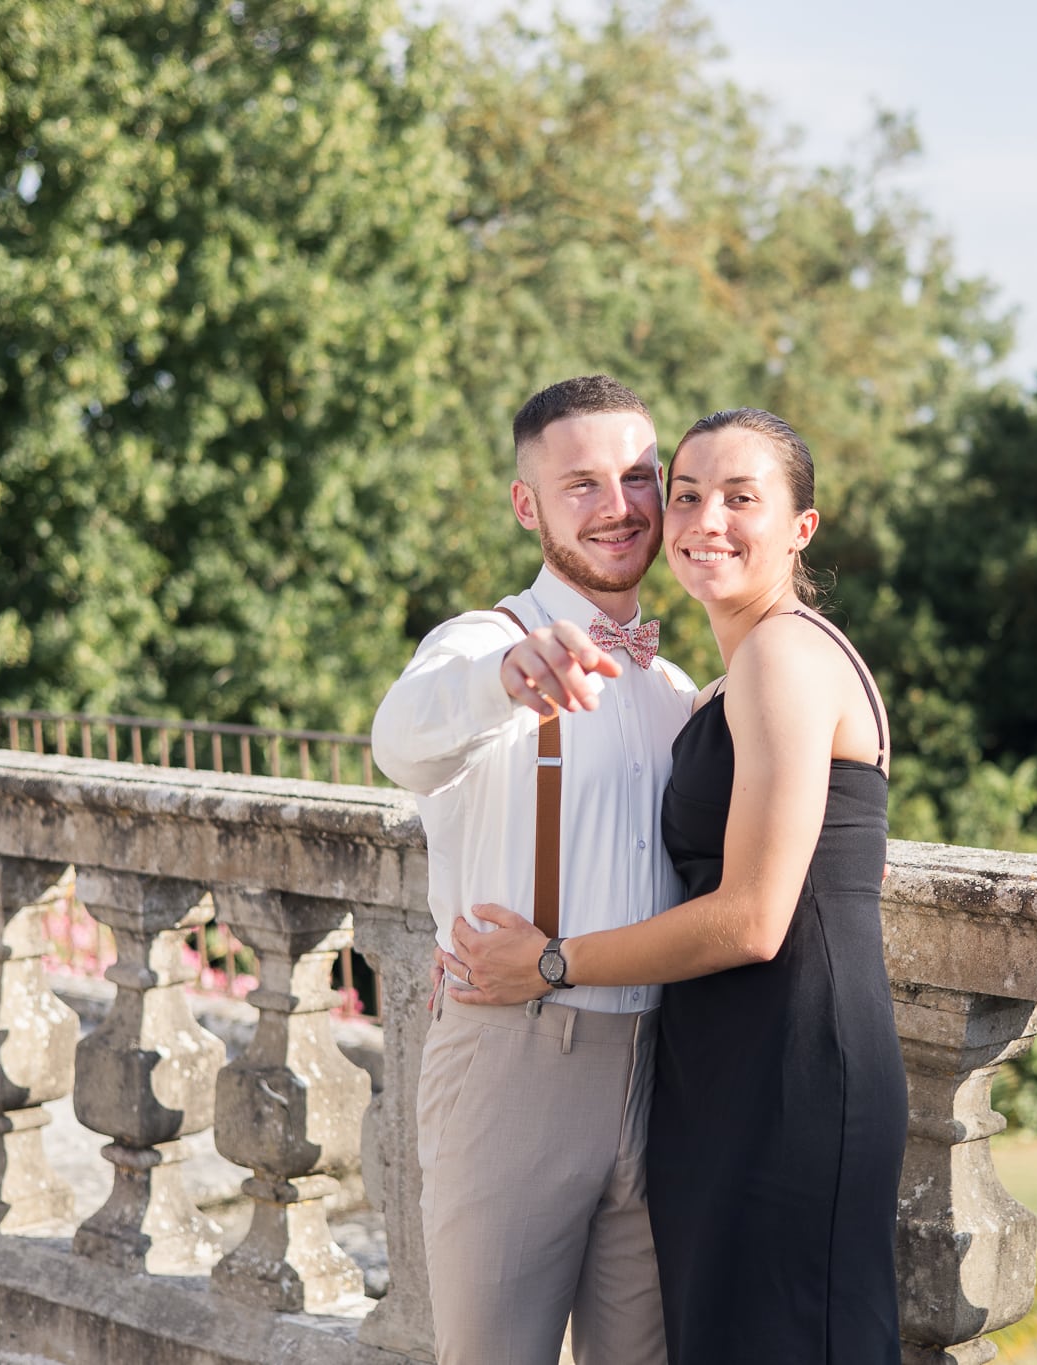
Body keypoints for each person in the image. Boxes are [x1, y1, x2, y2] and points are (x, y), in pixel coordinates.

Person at [451, 407, 908, 1364]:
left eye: (742, 498)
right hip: (726, 1065)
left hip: (789, 1065)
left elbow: (752, 919)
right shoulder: (713, 678)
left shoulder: (784, 654)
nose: (705, 520)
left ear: (801, 528)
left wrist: (550, 960)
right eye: (688, 492)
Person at [370, 375, 696, 1365]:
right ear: (528, 505)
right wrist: (503, 679)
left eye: (638, 477)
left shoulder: (677, 689)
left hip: (663, 1072)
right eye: (580, 484)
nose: (617, 507)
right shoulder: (485, 644)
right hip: (517, 1059)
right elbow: (400, 738)